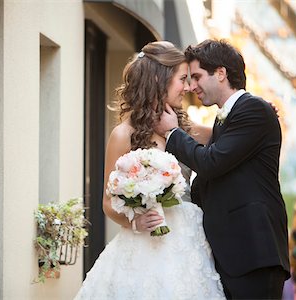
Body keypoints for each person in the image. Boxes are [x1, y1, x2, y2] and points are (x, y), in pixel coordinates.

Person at [74, 41, 225, 299]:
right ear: (160, 78)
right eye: (182, 79)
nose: (188, 87)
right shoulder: (122, 135)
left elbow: (226, 136)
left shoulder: (185, 128)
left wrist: (256, 110)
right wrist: (135, 221)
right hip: (142, 246)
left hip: (187, 244)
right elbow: (107, 202)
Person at [155, 39, 290, 299]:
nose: (192, 86)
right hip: (232, 256)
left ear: (220, 73)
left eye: (196, 77)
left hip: (253, 255)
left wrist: (172, 132)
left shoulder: (254, 109)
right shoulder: (226, 119)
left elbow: (210, 163)